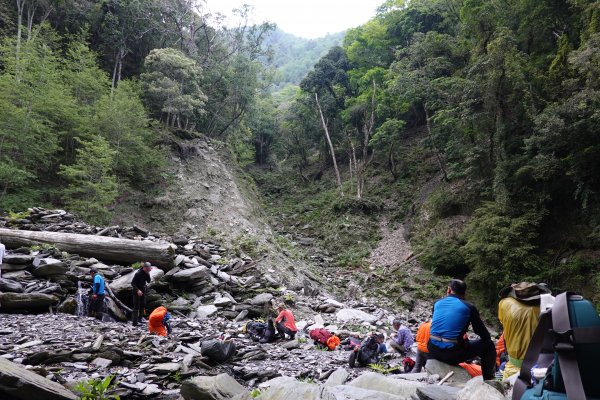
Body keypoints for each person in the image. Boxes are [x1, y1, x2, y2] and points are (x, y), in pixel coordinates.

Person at [428, 279, 496, 380]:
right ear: (464, 293)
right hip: (451, 354)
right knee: (489, 344)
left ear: (449, 290)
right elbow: (483, 334)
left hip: (432, 349)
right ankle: (488, 379)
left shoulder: (437, 303)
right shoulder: (468, 307)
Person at [497, 282, 551, 379]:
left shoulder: (504, 303)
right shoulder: (546, 310)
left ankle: (497, 381)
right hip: (536, 368)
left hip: (511, 366)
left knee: (501, 364)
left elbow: (503, 323)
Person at [131, 261, 152, 326]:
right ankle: (135, 323)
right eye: (148, 268)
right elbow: (132, 283)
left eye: (149, 268)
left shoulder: (146, 272)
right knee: (136, 306)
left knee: (143, 304)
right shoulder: (138, 273)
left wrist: (148, 273)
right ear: (144, 267)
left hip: (143, 290)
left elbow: (148, 281)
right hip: (136, 291)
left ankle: (140, 319)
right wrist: (138, 290)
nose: (149, 269)